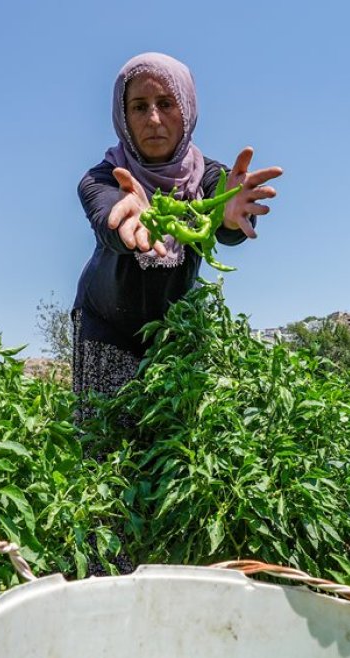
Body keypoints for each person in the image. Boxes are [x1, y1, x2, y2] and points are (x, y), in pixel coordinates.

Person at [73, 52, 283, 411]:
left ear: (186, 108)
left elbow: (226, 218)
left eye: (166, 103)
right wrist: (124, 219)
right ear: (123, 117)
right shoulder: (103, 177)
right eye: (139, 106)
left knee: (174, 441)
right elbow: (107, 216)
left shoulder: (209, 175)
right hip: (106, 329)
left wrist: (227, 216)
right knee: (105, 446)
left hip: (176, 331)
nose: (153, 118)